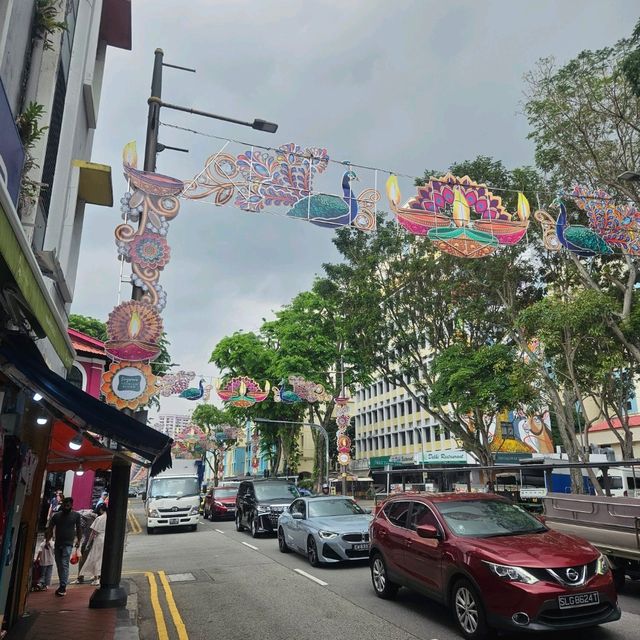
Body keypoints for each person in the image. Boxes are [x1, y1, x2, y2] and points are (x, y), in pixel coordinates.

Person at [46, 496, 82, 596]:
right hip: (58, 544)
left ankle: (62, 586)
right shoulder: (56, 516)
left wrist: (79, 540)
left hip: (68, 544)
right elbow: (50, 529)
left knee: (64, 564)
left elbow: (79, 529)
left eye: (68, 504)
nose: (67, 506)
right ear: (62, 504)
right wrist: (47, 540)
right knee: (59, 565)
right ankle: (62, 585)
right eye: (65, 504)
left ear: (71, 505)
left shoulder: (76, 515)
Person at [78, 504, 107, 586]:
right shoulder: (110, 517)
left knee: (95, 558)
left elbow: (93, 532)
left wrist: (88, 543)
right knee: (102, 558)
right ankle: (99, 576)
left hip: (99, 539)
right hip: (106, 539)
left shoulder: (99, 518)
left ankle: (96, 578)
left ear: (101, 509)